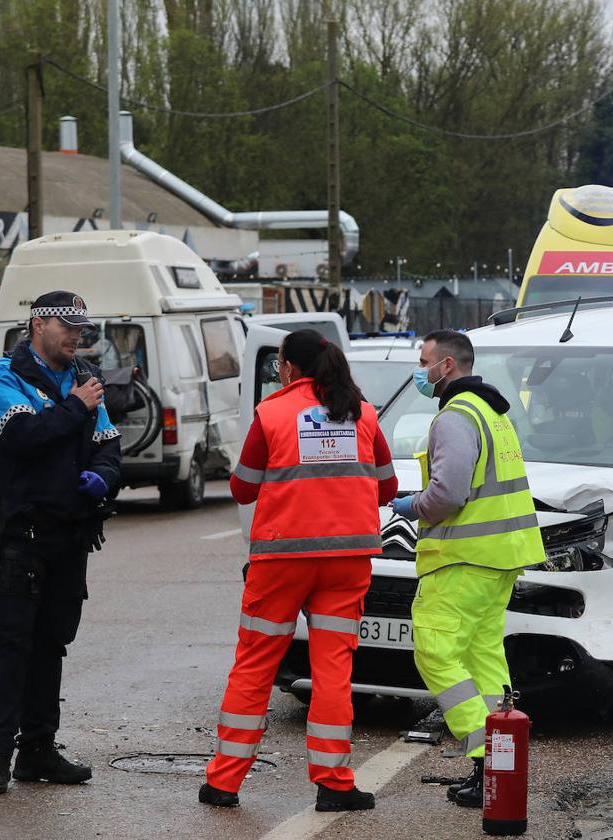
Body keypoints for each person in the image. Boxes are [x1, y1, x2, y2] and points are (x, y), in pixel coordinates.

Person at [201, 329, 396, 810]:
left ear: (288, 367)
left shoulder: (271, 413)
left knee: (255, 664)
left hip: (282, 559)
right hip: (346, 563)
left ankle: (224, 782)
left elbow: (243, 488)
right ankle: (334, 783)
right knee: (333, 669)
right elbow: (387, 488)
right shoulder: (363, 413)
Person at [0, 291, 121, 795]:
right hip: (21, 536)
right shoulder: (4, 377)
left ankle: (37, 750)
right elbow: (22, 438)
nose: (77, 335)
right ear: (38, 324)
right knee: (11, 645)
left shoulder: (82, 378)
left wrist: (104, 476)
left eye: (82, 327)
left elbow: (109, 447)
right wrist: (77, 408)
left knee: (51, 645)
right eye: (68, 325)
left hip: (70, 537)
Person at [390, 330, 544, 808]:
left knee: (435, 652)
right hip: (498, 557)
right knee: (483, 659)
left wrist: (410, 505)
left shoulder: (456, 417)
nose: (421, 370)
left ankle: (484, 754)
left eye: (424, 361)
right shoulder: (492, 412)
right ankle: (500, 768)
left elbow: (448, 495)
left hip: (462, 558)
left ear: (447, 365)